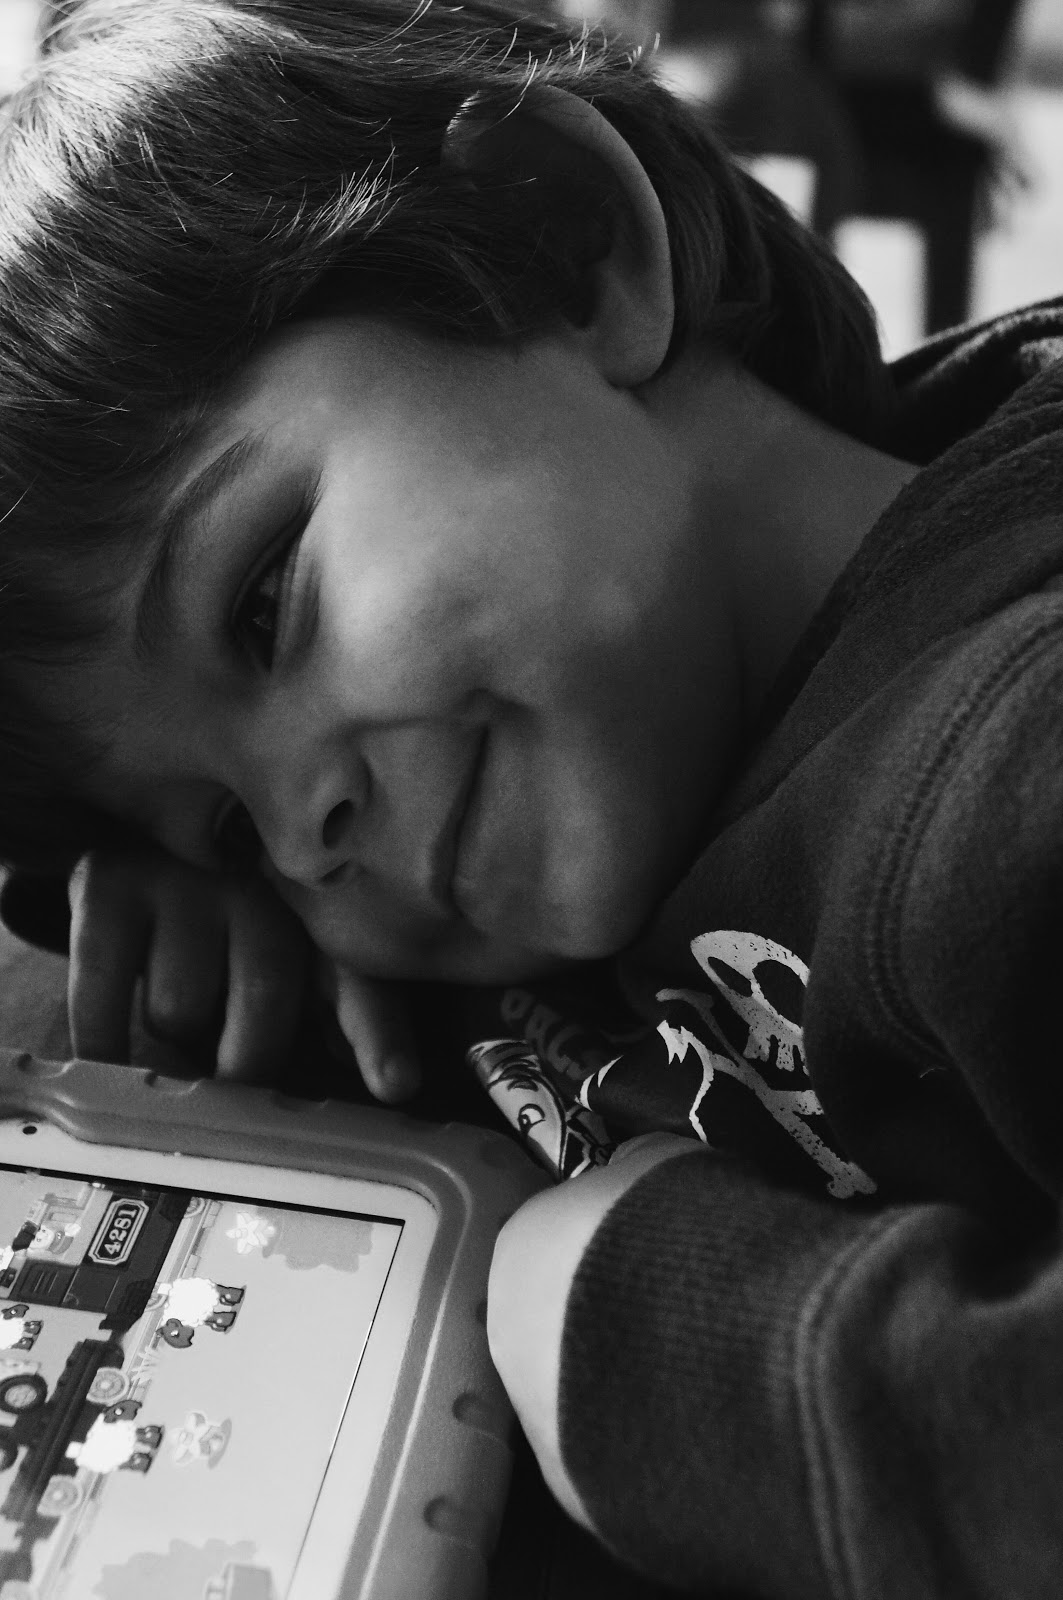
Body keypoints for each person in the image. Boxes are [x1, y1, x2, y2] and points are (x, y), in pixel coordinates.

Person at [1, 1, 1063, 1594]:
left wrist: (684, 1355)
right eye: (228, 821)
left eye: (262, 604)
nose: (300, 836)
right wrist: (169, 888)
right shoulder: (580, 765)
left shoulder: (1013, 755)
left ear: (563, 248)